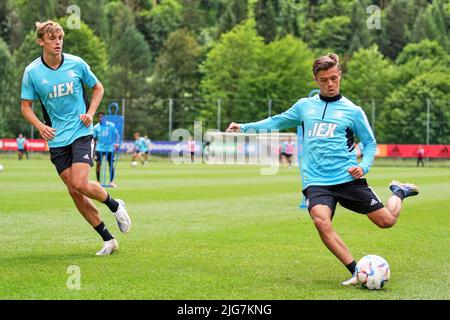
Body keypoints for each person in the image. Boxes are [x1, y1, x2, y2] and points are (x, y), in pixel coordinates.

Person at [227, 53, 419, 286]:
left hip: (347, 179)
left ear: (340, 76)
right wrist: (244, 127)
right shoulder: (304, 106)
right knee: (321, 221)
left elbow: (369, 143)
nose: (330, 84)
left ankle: (399, 191)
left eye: (334, 78)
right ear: (316, 80)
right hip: (316, 181)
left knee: (386, 221)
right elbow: (276, 121)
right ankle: (357, 270)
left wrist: (363, 166)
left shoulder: (353, 110)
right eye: (324, 79)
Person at [20, 20, 131, 256]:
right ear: (41, 42)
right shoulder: (32, 72)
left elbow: (98, 87)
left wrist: (90, 114)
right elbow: (26, 106)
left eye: (60, 38)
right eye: (52, 39)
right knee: (74, 191)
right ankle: (109, 240)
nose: (57, 42)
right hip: (57, 139)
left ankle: (115, 204)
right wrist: (39, 125)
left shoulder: (76, 64)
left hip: (81, 132)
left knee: (80, 182)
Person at [93, 112, 119, 187]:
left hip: (110, 148)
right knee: (98, 164)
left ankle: (111, 181)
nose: (100, 118)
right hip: (99, 148)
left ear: (105, 117)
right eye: (99, 117)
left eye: (102, 117)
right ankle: (98, 181)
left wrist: (116, 143)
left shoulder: (111, 125)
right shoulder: (96, 127)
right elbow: (94, 139)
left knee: (111, 165)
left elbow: (116, 135)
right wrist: (93, 150)